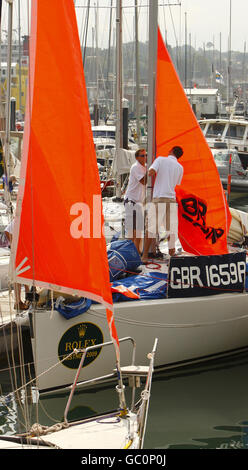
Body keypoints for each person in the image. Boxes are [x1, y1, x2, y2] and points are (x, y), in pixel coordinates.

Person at [142, 146, 184, 263]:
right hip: (171, 199)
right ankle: (172, 254)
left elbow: (151, 173)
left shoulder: (160, 159)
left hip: (159, 198)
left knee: (151, 228)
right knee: (171, 229)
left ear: (170, 151)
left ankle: (145, 256)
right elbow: (176, 183)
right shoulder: (180, 167)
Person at [124, 148, 147, 253]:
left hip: (138, 202)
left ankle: (137, 252)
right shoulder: (136, 167)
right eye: (143, 156)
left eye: (146, 155)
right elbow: (143, 181)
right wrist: (153, 172)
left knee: (138, 230)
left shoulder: (145, 167)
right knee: (132, 231)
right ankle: (129, 253)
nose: (145, 157)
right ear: (137, 158)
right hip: (131, 201)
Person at [4, 219, 29, 311]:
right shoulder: (19, 220)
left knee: (23, 274)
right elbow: (6, 231)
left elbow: (7, 230)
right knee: (21, 274)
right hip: (20, 251)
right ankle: (19, 301)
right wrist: (14, 242)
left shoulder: (22, 220)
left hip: (22, 250)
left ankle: (25, 299)